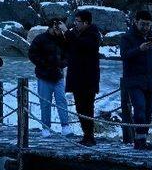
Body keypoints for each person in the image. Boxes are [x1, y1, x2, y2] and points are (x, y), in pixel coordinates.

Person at [120, 9, 152, 151]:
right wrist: (139, 49)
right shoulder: (127, 37)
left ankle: (142, 140)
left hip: (150, 80)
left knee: (148, 112)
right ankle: (139, 141)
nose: (145, 28)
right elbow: (124, 55)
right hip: (134, 79)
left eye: (148, 25)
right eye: (143, 24)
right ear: (135, 22)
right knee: (140, 108)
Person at [28, 18, 71, 137]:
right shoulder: (40, 38)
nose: (59, 30)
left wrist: (63, 63)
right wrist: (44, 63)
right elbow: (32, 54)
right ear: (51, 27)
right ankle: (46, 128)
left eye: (60, 27)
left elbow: (68, 52)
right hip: (44, 76)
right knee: (45, 103)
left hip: (58, 76)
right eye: (57, 27)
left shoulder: (63, 39)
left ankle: (65, 126)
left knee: (61, 101)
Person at [66, 10, 103, 146]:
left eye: (78, 21)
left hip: (88, 79)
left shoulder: (93, 34)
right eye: (75, 21)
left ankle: (89, 136)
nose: (75, 24)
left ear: (86, 22)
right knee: (80, 108)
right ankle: (86, 135)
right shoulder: (78, 34)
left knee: (87, 107)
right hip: (77, 77)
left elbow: (82, 45)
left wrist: (67, 33)